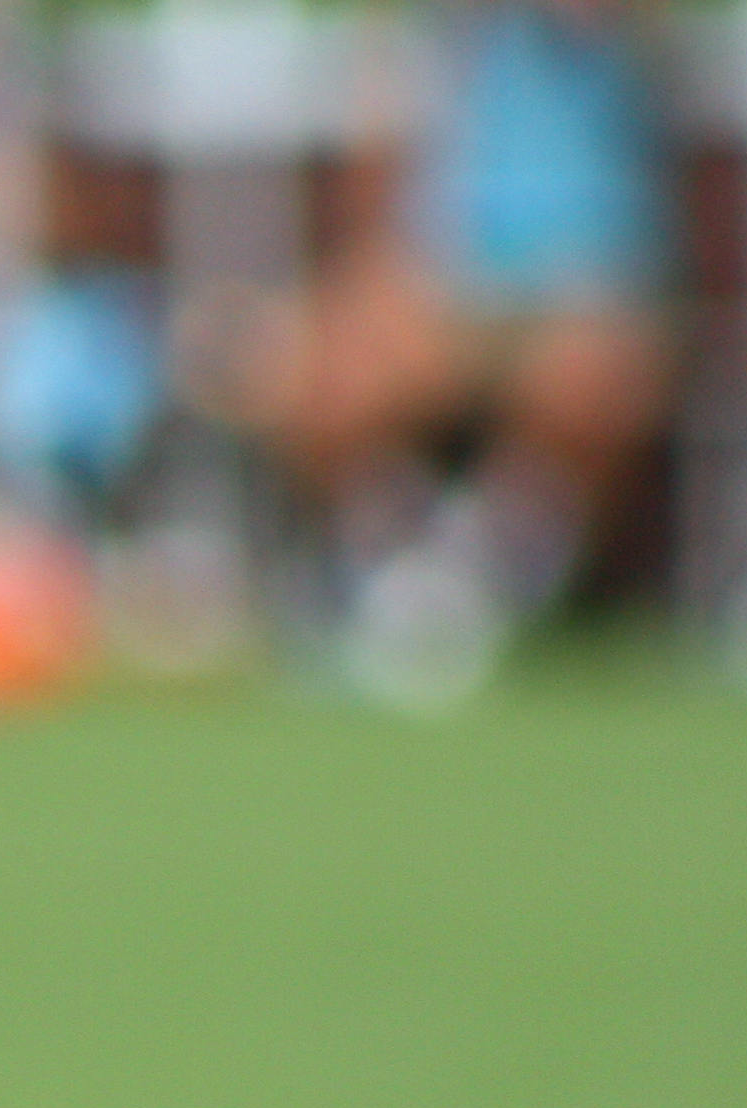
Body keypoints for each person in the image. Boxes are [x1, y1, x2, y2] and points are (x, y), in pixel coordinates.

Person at [234, 0, 676, 699]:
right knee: (313, 371)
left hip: (583, 273)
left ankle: (486, 581)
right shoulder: (417, 34)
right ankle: (390, 573)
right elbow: (373, 166)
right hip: (439, 275)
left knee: (593, 379)